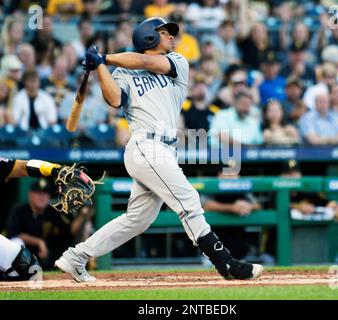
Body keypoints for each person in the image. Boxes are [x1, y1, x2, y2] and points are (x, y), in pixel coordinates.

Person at [54, 17, 263, 283]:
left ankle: (76, 257)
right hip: (145, 145)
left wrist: (104, 57)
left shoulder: (177, 62)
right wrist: (101, 67)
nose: (172, 37)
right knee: (188, 199)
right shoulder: (122, 72)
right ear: (148, 37)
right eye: (165, 33)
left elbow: (145, 62)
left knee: (138, 219)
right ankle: (226, 262)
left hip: (164, 149)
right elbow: (115, 99)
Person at [0, 157, 61, 281]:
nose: (42, 196)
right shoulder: (20, 209)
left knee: (29, 269)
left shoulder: (51, 213)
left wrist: (54, 169)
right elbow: (14, 233)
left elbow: (22, 166)